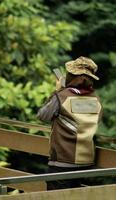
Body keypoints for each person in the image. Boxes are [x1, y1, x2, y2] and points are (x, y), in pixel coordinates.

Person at [37, 56, 103, 190]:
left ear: (71, 76)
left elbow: (42, 116)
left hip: (62, 163)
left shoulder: (62, 96)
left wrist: (57, 91)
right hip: (86, 162)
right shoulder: (95, 99)